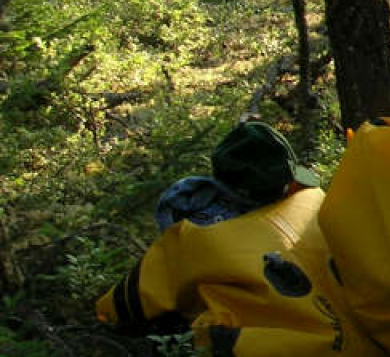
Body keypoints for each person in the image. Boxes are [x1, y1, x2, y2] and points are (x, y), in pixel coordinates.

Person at [97, 121, 374, 356]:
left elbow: (120, 308)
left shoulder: (197, 237)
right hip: (374, 339)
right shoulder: (314, 202)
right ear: (286, 183)